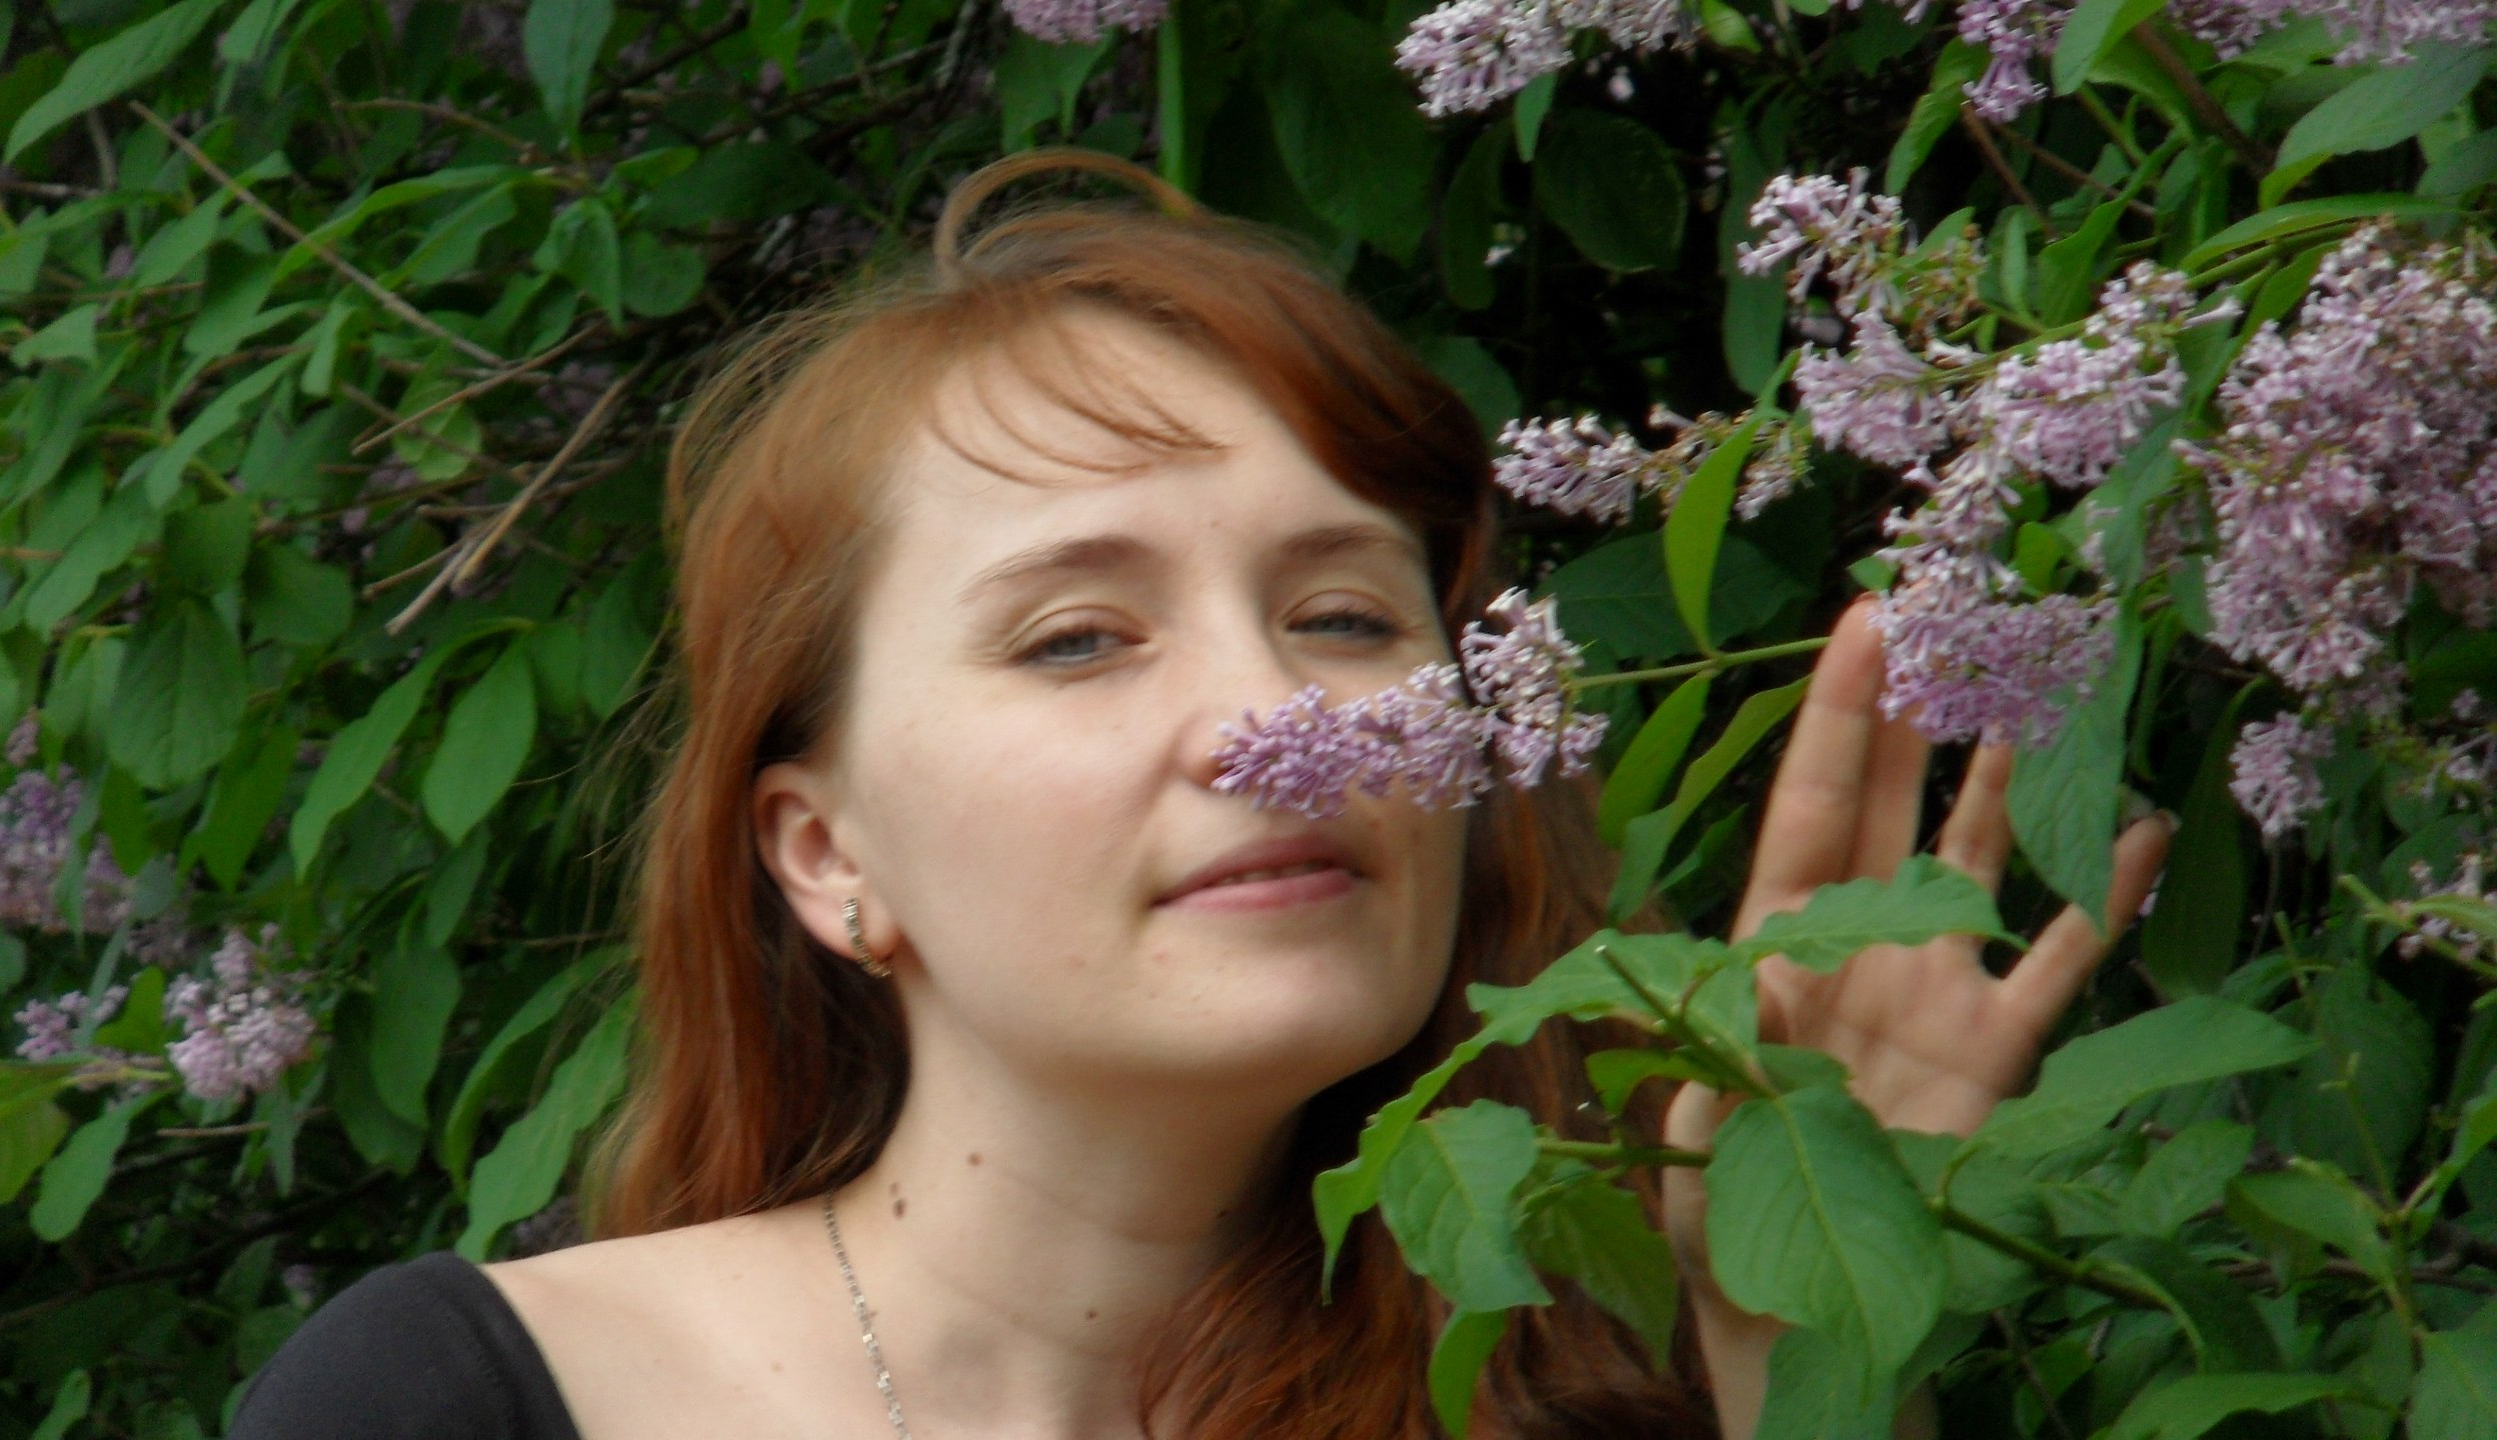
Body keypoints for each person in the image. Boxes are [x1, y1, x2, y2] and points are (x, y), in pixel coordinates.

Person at [229, 151, 2170, 1440]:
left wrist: (1805, 1340)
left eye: (1342, 615)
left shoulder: (1605, 1392)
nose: (1267, 717)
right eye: (1078, 637)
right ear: (826, 856)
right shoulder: (463, 1406)